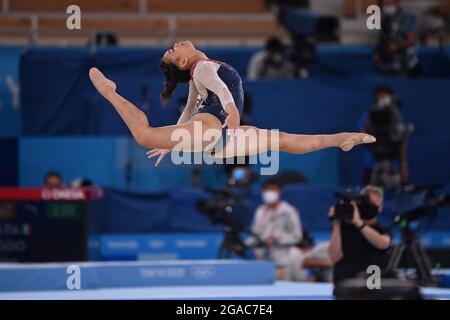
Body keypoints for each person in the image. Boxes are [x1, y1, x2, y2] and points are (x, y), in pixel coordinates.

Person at [89, 40, 376, 165]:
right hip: (218, 129)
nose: (175, 46)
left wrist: (172, 142)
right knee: (145, 136)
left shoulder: (196, 71)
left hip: (218, 140)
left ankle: (341, 139)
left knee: (284, 141)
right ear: (185, 61)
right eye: (173, 52)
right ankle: (111, 92)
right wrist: (232, 113)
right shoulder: (201, 69)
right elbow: (219, 92)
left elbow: (189, 109)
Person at [328, 185, 392, 289]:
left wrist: (358, 222)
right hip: (345, 290)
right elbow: (334, 257)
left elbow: (382, 243)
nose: (368, 206)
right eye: (365, 203)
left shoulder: (382, 231)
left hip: (372, 291)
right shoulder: (345, 229)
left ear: (380, 207)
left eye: (372, 203)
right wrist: (336, 223)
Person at [246, 178, 302, 279]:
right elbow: (256, 235)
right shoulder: (260, 211)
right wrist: (247, 244)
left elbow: (297, 236)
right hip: (261, 263)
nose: (269, 193)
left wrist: (277, 239)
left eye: (273, 190)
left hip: (281, 264)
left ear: (279, 192)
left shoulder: (288, 211)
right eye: (267, 190)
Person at [373, 0, 420, 76]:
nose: (387, 7)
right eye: (385, 4)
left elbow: (411, 41)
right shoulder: (384, 18)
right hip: (389, 63)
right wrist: (377, 52)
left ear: (396, 3)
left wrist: (397, 46)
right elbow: (382, 38)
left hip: (406, 62)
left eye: (389, 4)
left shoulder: (407, 17)